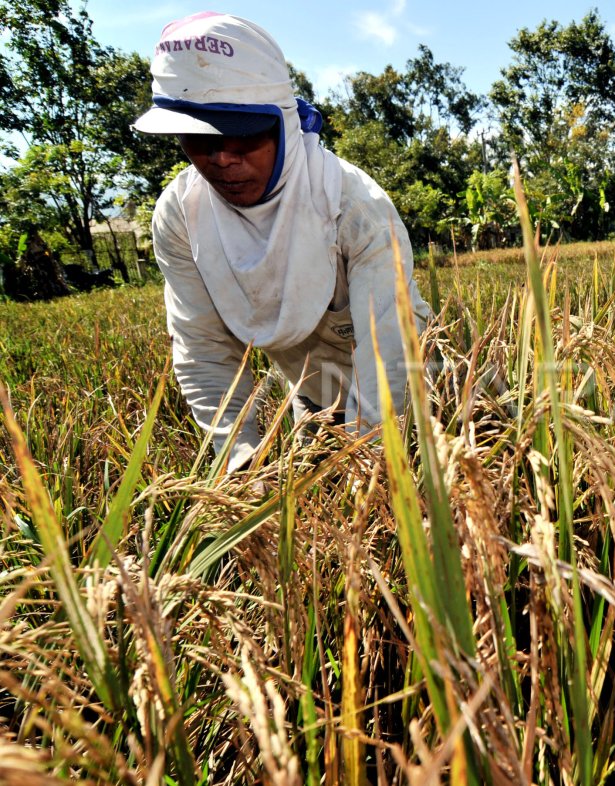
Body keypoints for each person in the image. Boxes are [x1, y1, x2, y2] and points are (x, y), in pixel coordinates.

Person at [133, 12, 431, 470]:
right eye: (197, 138)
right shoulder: (181, 218)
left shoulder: (352, 206)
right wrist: (239, 465)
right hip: (315, 405)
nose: (221, 158)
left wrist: (368, 472)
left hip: (418, 394)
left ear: (283, 122)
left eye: (241, 133)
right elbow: (203, 349)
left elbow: (388, 353)